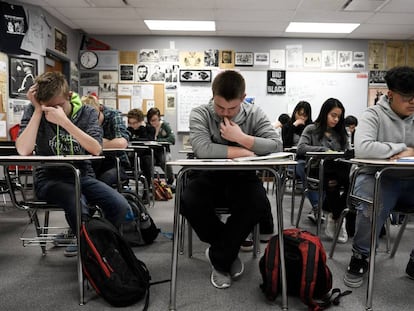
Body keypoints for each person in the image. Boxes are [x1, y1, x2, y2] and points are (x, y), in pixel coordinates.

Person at [181, 70, 282, 289]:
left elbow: (276, 145)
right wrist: (244, 150)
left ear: (243, 98)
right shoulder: (200, 113)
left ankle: (219, 256)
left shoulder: (254, 113)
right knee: (187, 199)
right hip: (209, 175)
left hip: (243, 176)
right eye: (219, 107)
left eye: (232, 108)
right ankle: (227, 250)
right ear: (213, 95)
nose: (225, 113)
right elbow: (202, 149)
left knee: (258, 204)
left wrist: (242, 138)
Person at [16, 72, 133, 257]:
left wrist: (64, 122)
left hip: (82, 175)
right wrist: (38, 110)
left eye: (59, 105)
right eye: (48, 107)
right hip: (49, 179)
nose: (53, 111)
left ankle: (96, 241)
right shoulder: (34, 111)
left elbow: (96, 149)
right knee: (77, 202)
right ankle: (89, 249)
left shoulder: (87, 113)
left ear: (69, 96)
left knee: (120, 205)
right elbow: (23, 150)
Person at [343, 66, 414, 288]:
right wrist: (403, 148)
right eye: (407, 97)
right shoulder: (372, 114)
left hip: (410, 180)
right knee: (373, 201)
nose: (413, 102)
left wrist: (393, 152)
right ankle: (360, 255)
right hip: (376, 178)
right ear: (390, 93)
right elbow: (363, 149)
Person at [296, 98, 351, 243]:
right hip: (317, 168)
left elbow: (349, 152)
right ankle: (337, 216)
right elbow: (301, 148)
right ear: (325, 112)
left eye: (339, 117)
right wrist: (323, 150)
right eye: (333, 115)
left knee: (354, 181)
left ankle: (334, 214)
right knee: (333, 177)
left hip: (338, 170)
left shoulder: (341, 133)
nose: (336, 119)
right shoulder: (311, 129)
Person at [81, 94, 130, 188]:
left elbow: (122, 143)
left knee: (103, 180)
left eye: (95, 117)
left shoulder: (113, 115)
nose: (92, 121)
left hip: (115, 162)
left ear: (100, 109)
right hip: (91, 164)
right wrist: (108, 142)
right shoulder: (82, 118)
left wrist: (94, 143)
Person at [282, 101, 319, 222]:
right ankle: (316, 207)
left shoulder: (312, 128)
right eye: (300, 114)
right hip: (294, 160)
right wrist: (293, 126)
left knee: (323, 173)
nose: (302, 117)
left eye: (305, 115)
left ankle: (321, 207)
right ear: (295, 112)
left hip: (310, 160)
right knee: (304, 169)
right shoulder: (287, 126)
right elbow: (285, 145)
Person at [126, 108, 155, 200]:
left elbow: (147, 140)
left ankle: (146, 191)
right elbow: (127, 140)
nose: (133, 125)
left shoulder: (149, 129)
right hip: (132, 154)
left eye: (135, 123)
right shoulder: (129, 129)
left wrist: (142, 128)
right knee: (125, 161)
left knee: (146, 162)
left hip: (146, 154)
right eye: (130, 123)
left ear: (141, 121)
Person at [146, 107, 175, 186]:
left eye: (155, 120)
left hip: (163, 150)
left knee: (164, 159)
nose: (153, 123)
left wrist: (158, 140)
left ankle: (170, 178)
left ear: (159, 118)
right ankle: (148, 182)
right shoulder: (147, 127)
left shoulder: (164, 125)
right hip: (152, 151)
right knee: (147, 161)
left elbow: (172, 139)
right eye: (151, 120)